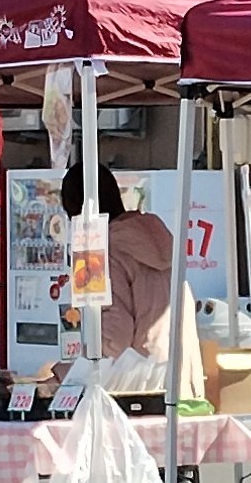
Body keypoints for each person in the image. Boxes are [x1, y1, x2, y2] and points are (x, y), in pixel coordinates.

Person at [61, 162, 204, 400]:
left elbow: (113, 338)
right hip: (181, 383)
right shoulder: (156, 238)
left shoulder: (97, 251)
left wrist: (68, 373)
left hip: (137, 391)